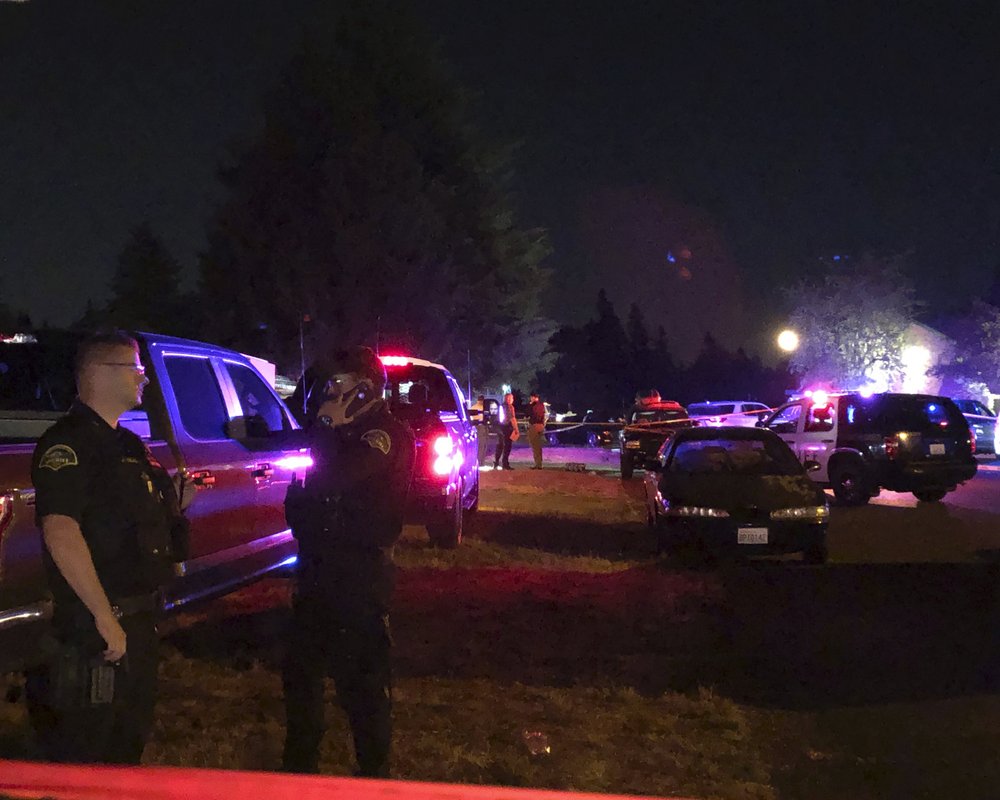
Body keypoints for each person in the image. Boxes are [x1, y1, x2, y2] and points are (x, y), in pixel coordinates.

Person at [28, 330, 191, 764]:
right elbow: (60, 529)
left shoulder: (127, 444)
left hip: (136, 620)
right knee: (90, 751)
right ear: (100, 374)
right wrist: (102, 616)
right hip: (96, 628)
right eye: (136, 370)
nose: (144, 380)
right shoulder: (69, 445)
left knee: (127, 744)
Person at [281, 345, 415, 778]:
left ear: (365, 390)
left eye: (338, 385)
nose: (328, 393)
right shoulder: (333, 435)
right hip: (316, 571)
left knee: (364, 690)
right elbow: (301, 496)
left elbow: (333, 476)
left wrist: (323, 427)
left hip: (360, 577)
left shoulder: (385, 434)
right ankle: (299, 773)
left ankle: (374, 777)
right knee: (302, 683)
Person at [493, 392, 517, 470]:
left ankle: (496, 462)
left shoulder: (501, 406)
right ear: (509, 399)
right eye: (511, 398)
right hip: (507, 428)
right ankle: (505, 463)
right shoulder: (510, 407)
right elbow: (512, 418)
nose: (512, 400)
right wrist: (516, 429)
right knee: (507, 446)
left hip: (499, 427)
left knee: (500, 445)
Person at [526, 392, 547, 470]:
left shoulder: (532, 406)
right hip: (540, 426)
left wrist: (530, 404)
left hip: (534, 426)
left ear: (534, 397)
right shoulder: (542, 405)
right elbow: (544, 416)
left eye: (531, 397)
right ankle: (540, 463)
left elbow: (527, 414)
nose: (530, 399)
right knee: (539, 446)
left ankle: (537, 464)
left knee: (534, 446)